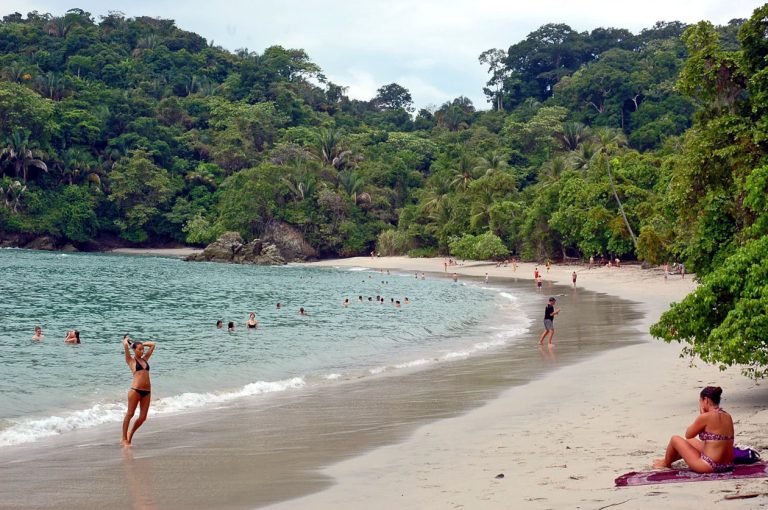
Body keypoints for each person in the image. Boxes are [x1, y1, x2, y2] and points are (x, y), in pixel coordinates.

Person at [653, 386, 734, 473]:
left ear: (705, 400)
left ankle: (666, 463)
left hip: (711, 466)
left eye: (700, 401)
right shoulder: (727, 416)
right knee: (691, 441)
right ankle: (667, 459)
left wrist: (702, 415)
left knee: (675, 439)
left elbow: (688, 434)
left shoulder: (705, 417)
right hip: (728, 465)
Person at [121, 335, 156, 446]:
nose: (142, 351)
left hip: (147, 392)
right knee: (130, 414)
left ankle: (130, 433)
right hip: (135, 390)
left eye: (142, 349)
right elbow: (125, 345)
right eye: (139, 349)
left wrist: (141, 344)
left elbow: (153, 344)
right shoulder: (131, 361)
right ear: (134, 350)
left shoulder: (145, 359)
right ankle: (124, 438)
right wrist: (127, 343)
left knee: (143, 417)